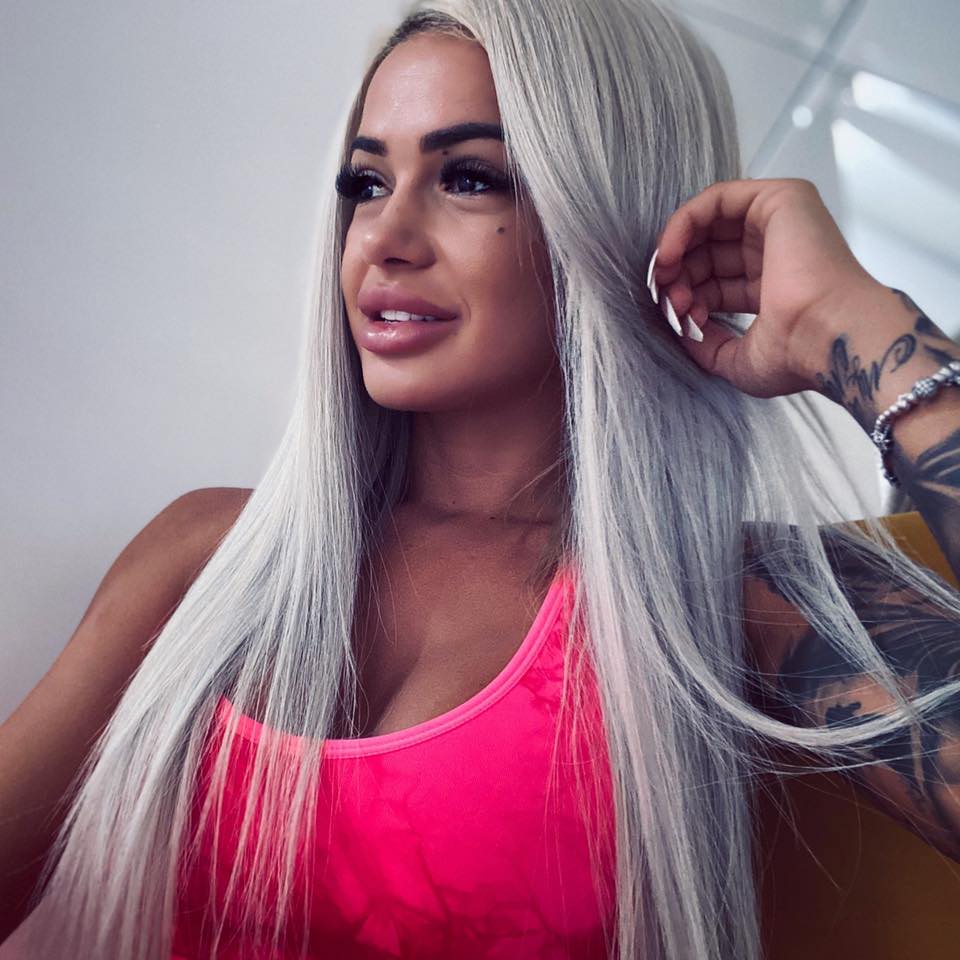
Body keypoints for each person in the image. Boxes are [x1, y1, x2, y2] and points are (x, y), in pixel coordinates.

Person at [3, 1, 960, 958]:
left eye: (468, 177)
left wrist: (858, 327)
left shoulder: (725, 600)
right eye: (367, 183)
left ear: (617, 218)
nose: (382, 237)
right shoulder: (207, 559)